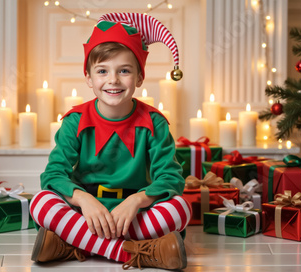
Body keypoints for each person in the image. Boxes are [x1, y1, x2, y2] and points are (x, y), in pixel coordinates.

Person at [29, 12, 190, 270]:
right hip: (88, 212)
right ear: (89, 79)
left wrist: (136, 201)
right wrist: (83, 199)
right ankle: (136, 252)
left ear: (139, 78)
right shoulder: (75, 120)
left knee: (179, 209)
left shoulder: (154, 122)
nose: (113, 80)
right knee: (41, 203)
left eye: (124, 71)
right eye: (102, 71)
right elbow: (54, 173)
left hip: (134, 213)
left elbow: (171, 178)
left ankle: (74, 244)